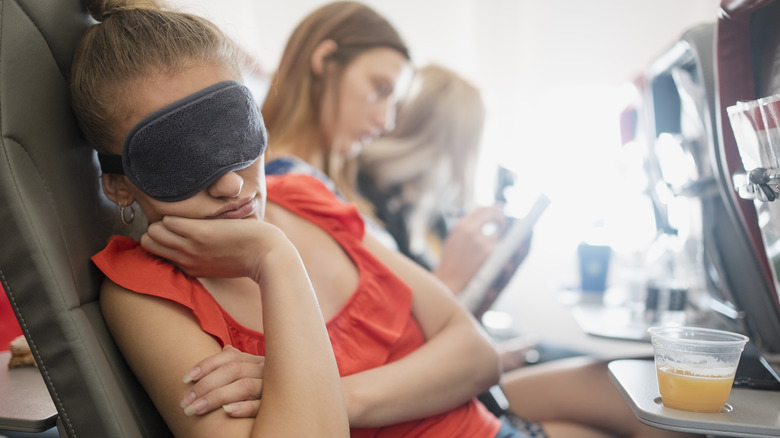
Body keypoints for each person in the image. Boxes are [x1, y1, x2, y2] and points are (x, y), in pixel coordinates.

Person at [71, 1, 702, 438]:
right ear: (118, 184)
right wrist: (275, 260)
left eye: (237, 136)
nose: (234, 183)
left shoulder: (306, 201)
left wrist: (315, 386)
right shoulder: (145, 295)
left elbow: (475, 355)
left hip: (491, 425)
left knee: (666, 413)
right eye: (179, 159)